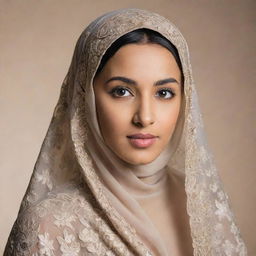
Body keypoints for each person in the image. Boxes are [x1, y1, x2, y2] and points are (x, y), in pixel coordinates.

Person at [4, 8, 247, 256]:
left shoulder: (203, 203)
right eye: (122, 91)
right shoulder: (48, 227)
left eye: (164, 93)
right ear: (85, 97)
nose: (145, 117)